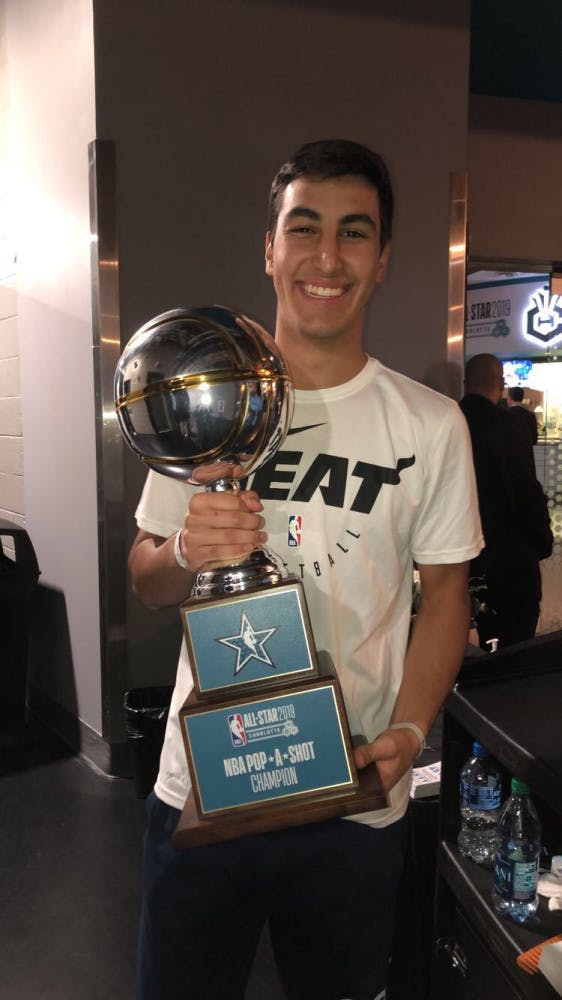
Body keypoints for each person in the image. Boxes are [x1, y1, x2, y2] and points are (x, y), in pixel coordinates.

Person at [129, 139, 483, 1000]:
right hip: (205, 783)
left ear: (383, 257)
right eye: (304, 228)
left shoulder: (429, 424)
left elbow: (445, 597)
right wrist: (185, 552)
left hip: (351, 787)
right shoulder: (205, 393)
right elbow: (146, 577)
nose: (327, 257)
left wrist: (408, 733)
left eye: (354, 232)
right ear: (270, 248)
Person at [460, 353, 553, 651]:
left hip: (459, 556)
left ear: (465, 383)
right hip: (507, 559)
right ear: (500, 384)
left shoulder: (448, 422)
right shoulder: (506, 427)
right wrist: (541, 541)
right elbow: (523, 490)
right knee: (512, 648)